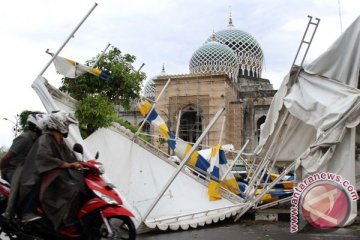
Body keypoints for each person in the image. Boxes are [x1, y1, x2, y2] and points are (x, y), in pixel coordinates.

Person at [17, 111, 85, 237]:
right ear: (58, 123)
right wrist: (69, 165)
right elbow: (45, 158)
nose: (68, 127)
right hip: (39, 173)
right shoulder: (45, 138)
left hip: (53, 173)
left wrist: (80, 163)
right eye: (67, 124)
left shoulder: (60, 141)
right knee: (71, 188)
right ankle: (60, 220)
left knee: (79, 185)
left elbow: (69, 157)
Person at [0, 112, 47, 183]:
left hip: (26, 173)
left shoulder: (38, 141)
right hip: (14, 172)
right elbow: (7, 157)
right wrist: (3, 171)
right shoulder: (24, 138)